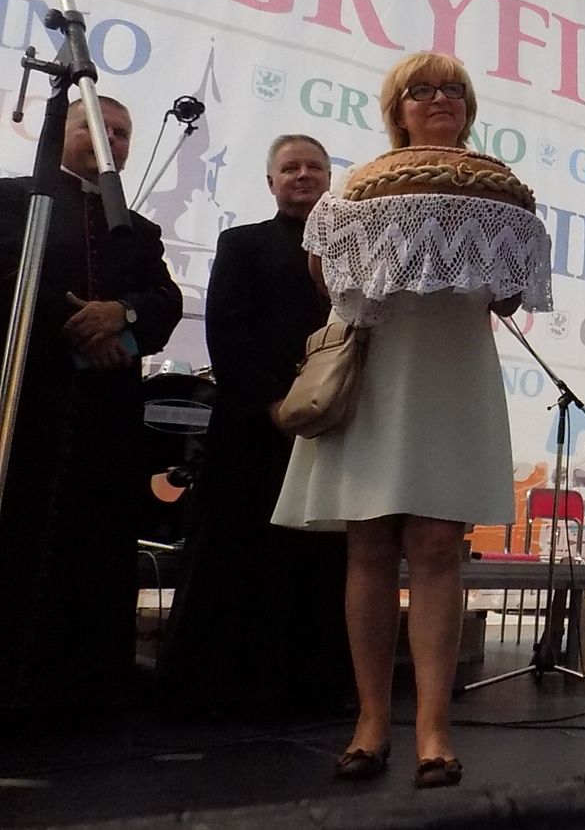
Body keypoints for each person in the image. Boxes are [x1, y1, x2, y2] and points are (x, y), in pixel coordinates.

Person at [272, 52, 550, 789]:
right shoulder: (358, 187)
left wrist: (483, 243)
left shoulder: (499, 190)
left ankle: (433, 729)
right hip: (377, 368)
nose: (439, 99)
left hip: (453, 370)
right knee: (368, 542)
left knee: (436, 546)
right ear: (397, 109)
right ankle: (370, 722)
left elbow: (508, 296)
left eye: (454, 90)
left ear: (469, 108)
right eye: (421, 90)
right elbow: (325, 274)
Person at [0, 96, 183, 713]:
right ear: (61, 132)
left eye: (122, 132)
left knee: (94, 550)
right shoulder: (11, 200)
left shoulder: (137, 229)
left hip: (107, 415)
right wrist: (84, 331)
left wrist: (122, 317)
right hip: (27, 401)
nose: (112, 139)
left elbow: (164, 303)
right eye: (96, 127)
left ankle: (86, 694)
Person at [158, 134, 351, 719]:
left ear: (330, 180)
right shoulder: (242, 243)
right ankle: (224, 692)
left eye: (314, 167)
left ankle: (313, 688)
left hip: (331, 429)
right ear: (271, 182)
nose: (303, 175)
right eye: (290, 168)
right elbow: (227, 330)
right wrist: (275, 404)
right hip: (253, 429)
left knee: (320, 559)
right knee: (240, 555)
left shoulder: (352, 255)